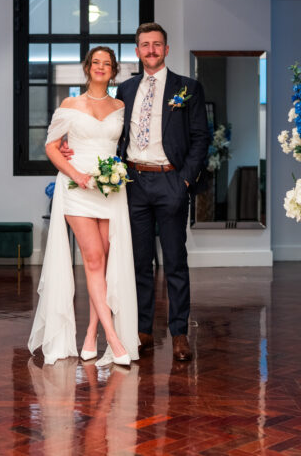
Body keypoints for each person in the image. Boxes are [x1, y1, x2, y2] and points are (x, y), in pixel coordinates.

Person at [62, 23, 210, 362]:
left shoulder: (187, 88)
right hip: (133, 184)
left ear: (166, 50)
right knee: (139, 262)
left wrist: (185, 180)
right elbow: (106, 131)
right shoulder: (125, 90)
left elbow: (201, 137)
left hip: (171, 181)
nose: (151, 50)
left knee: (174, 261)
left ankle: (179, 333)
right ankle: (142, 330)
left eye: (157, 45)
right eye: (145, 45)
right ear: (137, 51)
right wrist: (73, 150)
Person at [28, 46, 139, 367]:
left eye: (107, 63)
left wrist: (114, 174)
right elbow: (51, 147)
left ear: (114, 70)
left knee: (103, 264)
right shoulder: (70, 104)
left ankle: (90, 334)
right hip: (77, 187)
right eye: (96, 63)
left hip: (110, 189)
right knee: (92, 259)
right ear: (87, 68)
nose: (101, 67)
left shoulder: (120, 106)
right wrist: (77, 174)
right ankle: (114, 339)